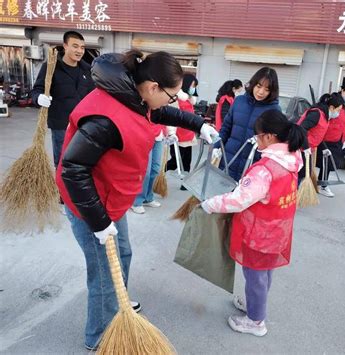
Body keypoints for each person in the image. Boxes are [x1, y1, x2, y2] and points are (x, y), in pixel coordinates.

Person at [55, 50, 218, 350]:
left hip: (111, 198)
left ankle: (118, 304)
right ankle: (99, 337)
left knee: (124, 254)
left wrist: (198, 125)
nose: (173, 103)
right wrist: (100, 223)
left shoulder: (135, 96)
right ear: (153, 87)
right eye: (172, 96)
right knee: (103, 273)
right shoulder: (107, 117)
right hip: (89, 206)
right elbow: (72, 169)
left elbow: (162, 112)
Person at [201, 110, 306, 336]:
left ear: (269, 137)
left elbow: (239, 200)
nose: (256, 139)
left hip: (259, 233)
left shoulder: (264, 170)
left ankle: (256, 321)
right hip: (278, 229)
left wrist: (210, 204)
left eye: (258, 136)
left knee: (255, 276)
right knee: (265, 272)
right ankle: (255, 305)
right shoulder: (294, 158)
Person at [31, 31, 95, 169]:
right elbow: (36, 90)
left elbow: (93, 98)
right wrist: (39, 98)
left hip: (83, 126)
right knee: (62, 163)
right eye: (75, 46)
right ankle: (61, 190)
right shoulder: (51, 67)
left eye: (82, 47)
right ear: (65, 46)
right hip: (61, 126)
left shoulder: (87, 70)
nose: (79, 51)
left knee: (80, 164)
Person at [217, 67, 281, 181]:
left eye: (267, 89)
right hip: (229, 158)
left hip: (253, 164)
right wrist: (216, 147)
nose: (261, 92)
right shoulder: (239, 101)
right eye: (259, 86)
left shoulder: (274, 110)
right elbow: (226, 128)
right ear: (253, 84)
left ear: (272, 91)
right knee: (223, 194)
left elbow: (274, 143)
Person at [166, 73, 199, 188]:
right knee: (175, 161)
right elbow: (171, 117)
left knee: (186, 161)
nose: (193, 88)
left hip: (188, 134)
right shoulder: (176, 98)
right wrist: (171, 133)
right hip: (178, 134)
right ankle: (159, 174)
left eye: (194, 86)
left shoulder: (190, 99)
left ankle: (185, 183)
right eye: (192, 85)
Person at [315, 93, 345, 197]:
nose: (339, 113)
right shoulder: (319, 114)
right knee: (307, 167)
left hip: (334, 140)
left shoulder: (331, 112)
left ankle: (322, 185)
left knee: (327, 165)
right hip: (321, 140)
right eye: (338, 110)